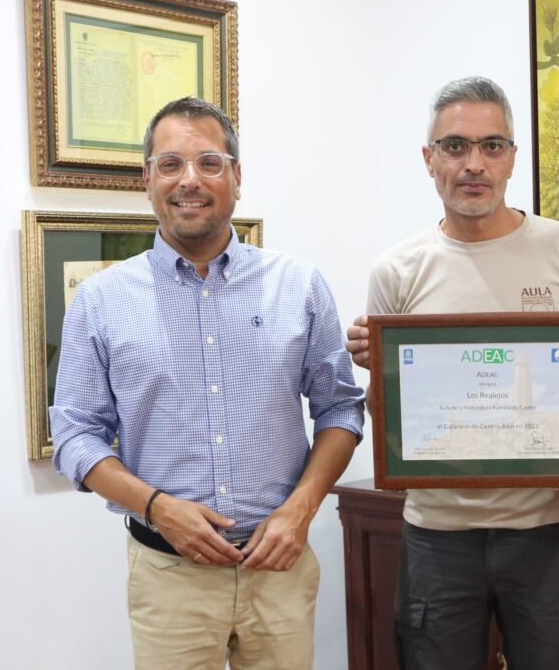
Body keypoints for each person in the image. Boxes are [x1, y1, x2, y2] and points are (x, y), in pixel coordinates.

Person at [50, 96, 365, 669]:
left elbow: (341, 409)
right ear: (146, 180)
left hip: (280, 573)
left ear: (237, 178)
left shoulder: (299, 285)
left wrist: (302, 507)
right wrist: (156, 506)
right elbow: (76, 436)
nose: (188, 180)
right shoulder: (100, 301)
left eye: (209, 163)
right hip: (169, 579)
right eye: (169, 164)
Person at [344, 76, 559, 670]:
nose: (474, 164)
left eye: (492, 146)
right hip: (437, 535)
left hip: (546, 531)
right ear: (429, 160)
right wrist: (382, 367)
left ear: (512, 158)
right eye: (454, 146)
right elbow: (385, 417)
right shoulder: (396, 270)